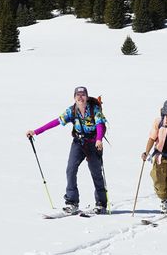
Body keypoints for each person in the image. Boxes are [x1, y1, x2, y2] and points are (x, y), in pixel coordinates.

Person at [26, 86, 108, 214]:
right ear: (74, 97)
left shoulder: (94, 109)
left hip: (93, 143)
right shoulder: (72, 111)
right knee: (70, 169)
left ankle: (101, 204)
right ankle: (72, 202)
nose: (80, 97)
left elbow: (100, 126)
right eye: (78, 95)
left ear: (86, 97)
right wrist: (36, 132)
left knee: (96, 172)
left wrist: (99, 139)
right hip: (78, 143)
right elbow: (55, 122)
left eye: (83, 95)